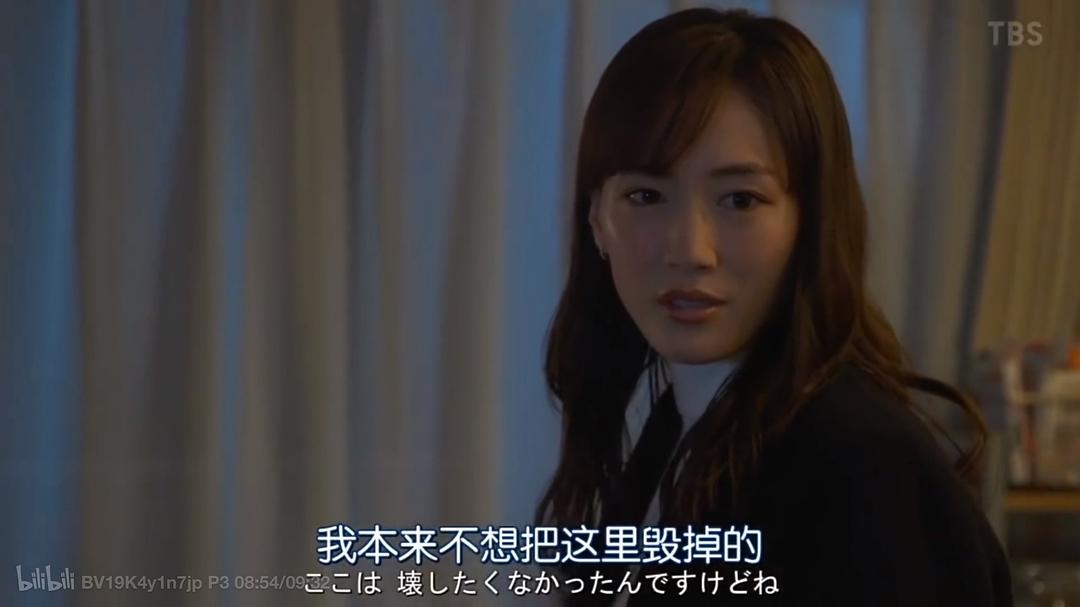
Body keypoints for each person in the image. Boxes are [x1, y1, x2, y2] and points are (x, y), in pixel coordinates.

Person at [535, 7, 1012, 606]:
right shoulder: (681, 429)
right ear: (597, 220)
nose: (690, 250)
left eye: (740, 199)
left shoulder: (861, 463)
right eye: (646, 195)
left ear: (811, 222)